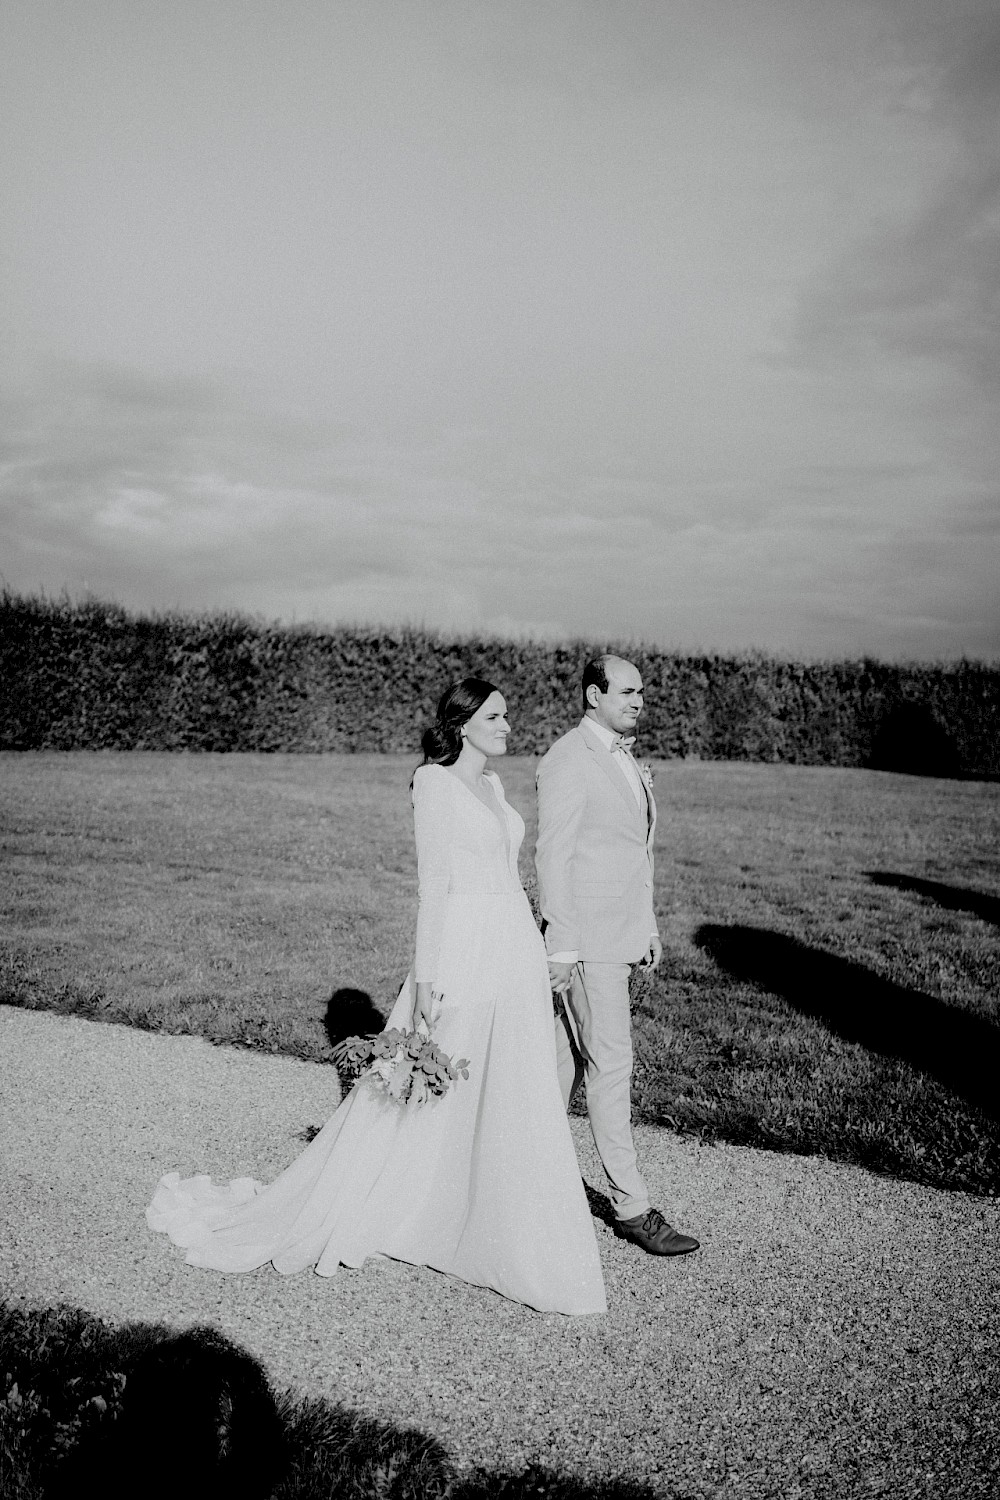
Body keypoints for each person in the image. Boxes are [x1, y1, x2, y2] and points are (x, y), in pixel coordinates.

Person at [147, 678, 606, 1317]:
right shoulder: (434, 785)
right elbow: (434, 889)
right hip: (466, 949)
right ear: (464, 722)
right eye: (497, 716)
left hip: (514, 948)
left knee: (512, 1083)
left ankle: (488, 1213)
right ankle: (408, 1205)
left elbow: (506, 872)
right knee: (440, 1079)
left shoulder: (495, 788)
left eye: (507, 715)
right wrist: (426, 979)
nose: (508, 724)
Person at [535, 655, 699, 1257]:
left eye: (641, 693)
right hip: (586, 943)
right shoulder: (567, 759)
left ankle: (522, 1177)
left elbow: (634, 853)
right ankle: (631, 1207)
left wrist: (647, 926)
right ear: (592, 694)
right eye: (626, 692)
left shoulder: (625, 758)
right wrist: (564, 944)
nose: (638, 701)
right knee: (610, 1063)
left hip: (619, 933)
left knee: (566, 1066)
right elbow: (553, 856)